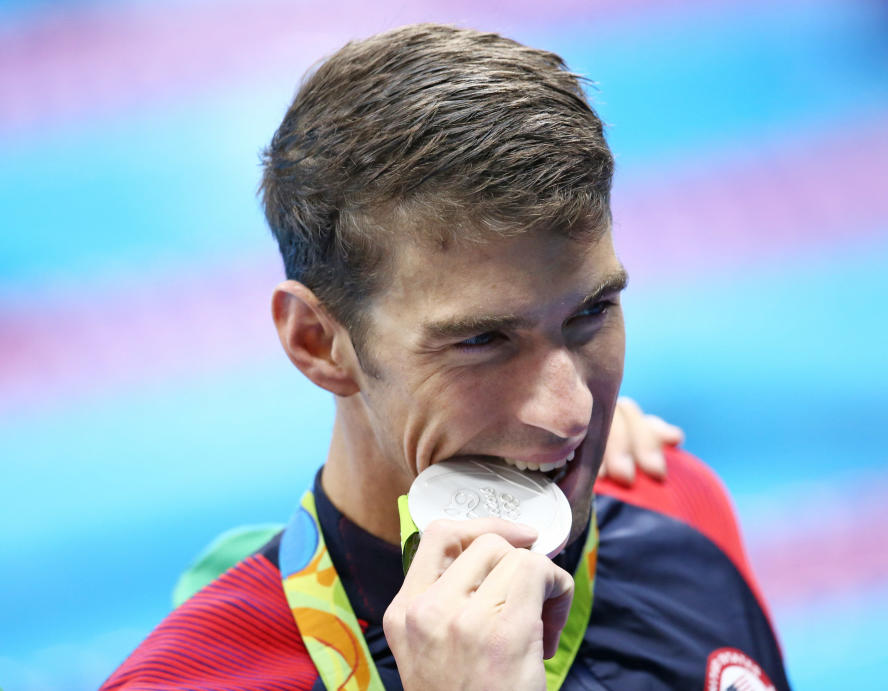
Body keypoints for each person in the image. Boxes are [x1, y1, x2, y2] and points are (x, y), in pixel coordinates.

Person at [103, 24, 791, 690]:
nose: (571, 413)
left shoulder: (679, 511)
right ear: (317, 342)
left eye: (590, 313)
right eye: (482, 341)